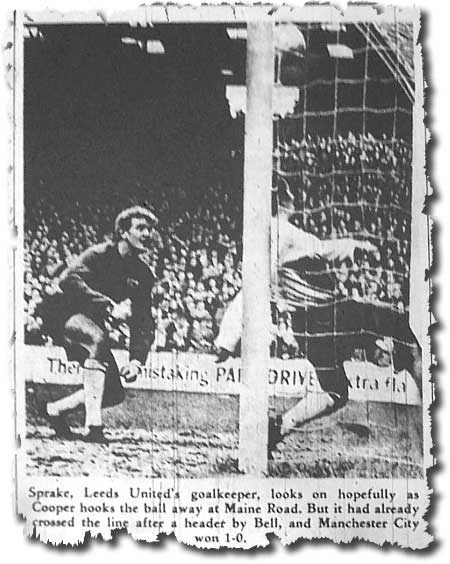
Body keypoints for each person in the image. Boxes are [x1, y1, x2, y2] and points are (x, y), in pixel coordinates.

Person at [41, 206, 158, 443]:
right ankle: (94, 428)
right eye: (141, 228)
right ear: (124, 232)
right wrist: (107, 305)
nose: (148, 234)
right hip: (62, 312)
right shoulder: (99, 254)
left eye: (150, 229)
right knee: (98, 338)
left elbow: (143, 320)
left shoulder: (144, 274)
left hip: (93, 321)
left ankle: (55, 410)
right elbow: (68, 279)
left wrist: (137, 360)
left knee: (113, 393)